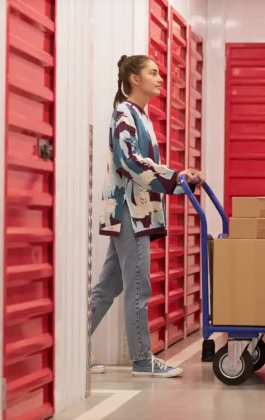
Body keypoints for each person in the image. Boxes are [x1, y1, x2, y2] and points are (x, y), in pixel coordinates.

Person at [90, 54, 204, 378]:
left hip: (131, 207)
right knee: (137, 286)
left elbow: (142, 163)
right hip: (129, 209)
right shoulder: (125, 113)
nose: (159, 78)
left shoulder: (141, 116)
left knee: (108, 287)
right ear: (135, 79)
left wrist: (179, 176)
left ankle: (71, 350)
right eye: (153, 72)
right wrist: (175, 180)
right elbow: (129, 161)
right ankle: (142, 360)